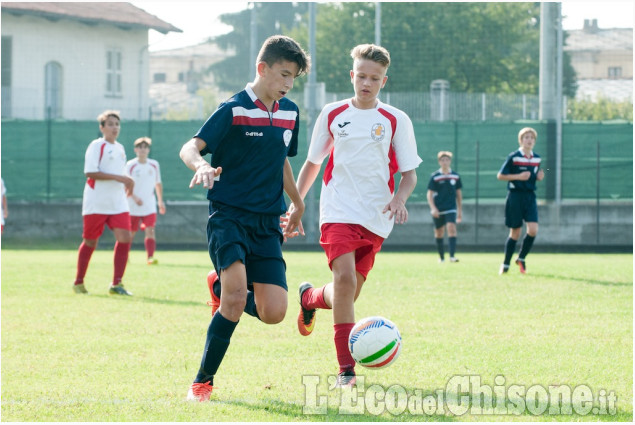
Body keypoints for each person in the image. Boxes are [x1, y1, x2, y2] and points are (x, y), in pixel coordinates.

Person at [179, 35, 310, 402]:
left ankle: (219, 287)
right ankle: (202, 383)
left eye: (293, 79)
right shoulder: (233, 109)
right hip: (229, 216)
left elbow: (281, 159)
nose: (286, 84)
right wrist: (202, 165)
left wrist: (296, 203)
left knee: (274, 313)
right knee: (236, 301)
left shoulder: (290, 112)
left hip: (267, 222)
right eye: (283, 74)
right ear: (262, 67)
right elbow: (190, 147)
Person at [288, 44, 421, 387]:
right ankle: (346, 372)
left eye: (374, 78)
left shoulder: (395, 119)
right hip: (337, 209)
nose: (366, 82)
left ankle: (309, 298)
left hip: (376, 217)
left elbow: (409, 174)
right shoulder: (333, 114)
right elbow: (313, 163)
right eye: (361, 76)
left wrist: (399, 199)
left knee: (345, 293)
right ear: (352, 75)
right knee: (345, 282)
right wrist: (296, 203)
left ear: (383, 81)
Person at [72, 110, 134, 296]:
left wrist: (127, 181)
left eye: (117, 124)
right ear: (102, 128)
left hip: (117, 202)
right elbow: (90, 172)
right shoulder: (97, 145)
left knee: (125, 238)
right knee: (90, 241)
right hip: (96, 201)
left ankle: (116, 284)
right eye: (110, 124)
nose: (115, 127)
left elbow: (119, 174)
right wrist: (122, 179)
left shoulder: (121, 148)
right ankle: (79, 281)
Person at [497, 127, 544, 274]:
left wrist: (538, 177)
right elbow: (500, 175)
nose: (529, 140)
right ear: (521, 140)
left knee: (533, 229)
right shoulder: (514, 157)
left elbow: (534, 175)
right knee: (515, 232)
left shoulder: (537, 158)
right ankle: (505, 264)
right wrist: (518, 177)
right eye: (526, 137)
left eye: (532, 138)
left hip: (530, 196)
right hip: (515, 196)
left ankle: (521, 257)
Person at [126, 137, 166, 265]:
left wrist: (160, 202)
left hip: (149, 205)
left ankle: (150, 257)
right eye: (140, 147)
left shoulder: (154, 164)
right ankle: (124, 255)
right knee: (130, 233)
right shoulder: (130, 165)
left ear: (148, 150)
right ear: (135, 149)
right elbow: (126, 184)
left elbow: (158, 184)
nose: (143, 150)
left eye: (145, 147)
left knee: (150, 230)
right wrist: (134, 197)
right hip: (132, 205)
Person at [426, 151, 462, 263]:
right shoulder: (435, 176)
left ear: (450, 161)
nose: (445, 162)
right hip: (438, 208)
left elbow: (459, 194)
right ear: (439, 162)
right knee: (439, 232)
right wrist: (433, 208)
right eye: (442, 160)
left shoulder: (455, 176)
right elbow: (429, 194)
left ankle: (452, 256)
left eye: (447, 159)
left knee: (451, 228)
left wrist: (459, 210)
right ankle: (441, 258)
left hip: (451, 208)